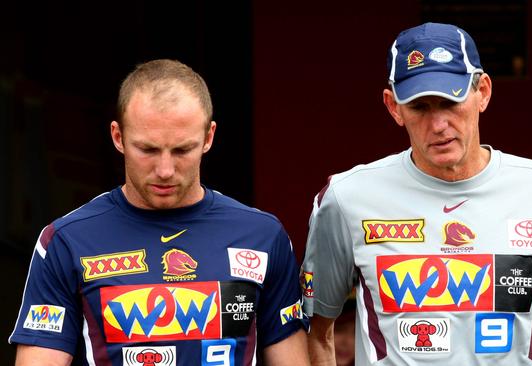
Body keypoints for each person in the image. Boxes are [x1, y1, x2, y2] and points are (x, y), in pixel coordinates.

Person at [302, 23, 532, 365]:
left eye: (451, 101)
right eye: (420, 107)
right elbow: (315, 333)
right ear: (394, 107)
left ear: (483, 92)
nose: (438, 124)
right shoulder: (346, 198)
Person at [9, 59, 309, 365]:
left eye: (181, 150)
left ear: (208, 137)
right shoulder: (66, 241)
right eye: (148, 150)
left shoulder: (262, 236)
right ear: (118, 136)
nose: (165, 170)